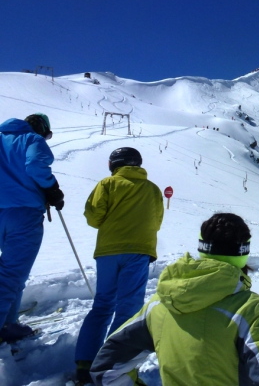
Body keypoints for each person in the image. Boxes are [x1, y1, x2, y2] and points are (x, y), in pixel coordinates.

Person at [90, 213, 259, 386]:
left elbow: (106, 366)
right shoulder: (248, 308)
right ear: (243, 251)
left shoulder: (161, 303)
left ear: (202, 247)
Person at [75, 147, 163, 384]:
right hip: (139, 251)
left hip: (108, 251)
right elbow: (157, 222)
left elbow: (94, 217)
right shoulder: (153, 189)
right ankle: (114, 364)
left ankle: (85, 362)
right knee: (128, 308)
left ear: (114, 164)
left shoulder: (107, 184)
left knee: (102, 304)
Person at [0, 113, 64, 343]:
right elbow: (36, 164)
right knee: (11, 272)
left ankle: (8, 323)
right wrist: (52, 189)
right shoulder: (32, 140)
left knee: (11, 270)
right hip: (24, 212)